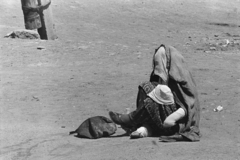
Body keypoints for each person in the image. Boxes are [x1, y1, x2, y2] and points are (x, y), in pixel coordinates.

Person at [109, 44, 201, 142]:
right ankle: (145, 128)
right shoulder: (166, 79)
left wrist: (171, 119)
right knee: (146, 87)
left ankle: (132, 119)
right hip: (163, 118)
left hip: (175, 125)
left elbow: (188, 107)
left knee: (152, 98)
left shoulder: (183, 83)